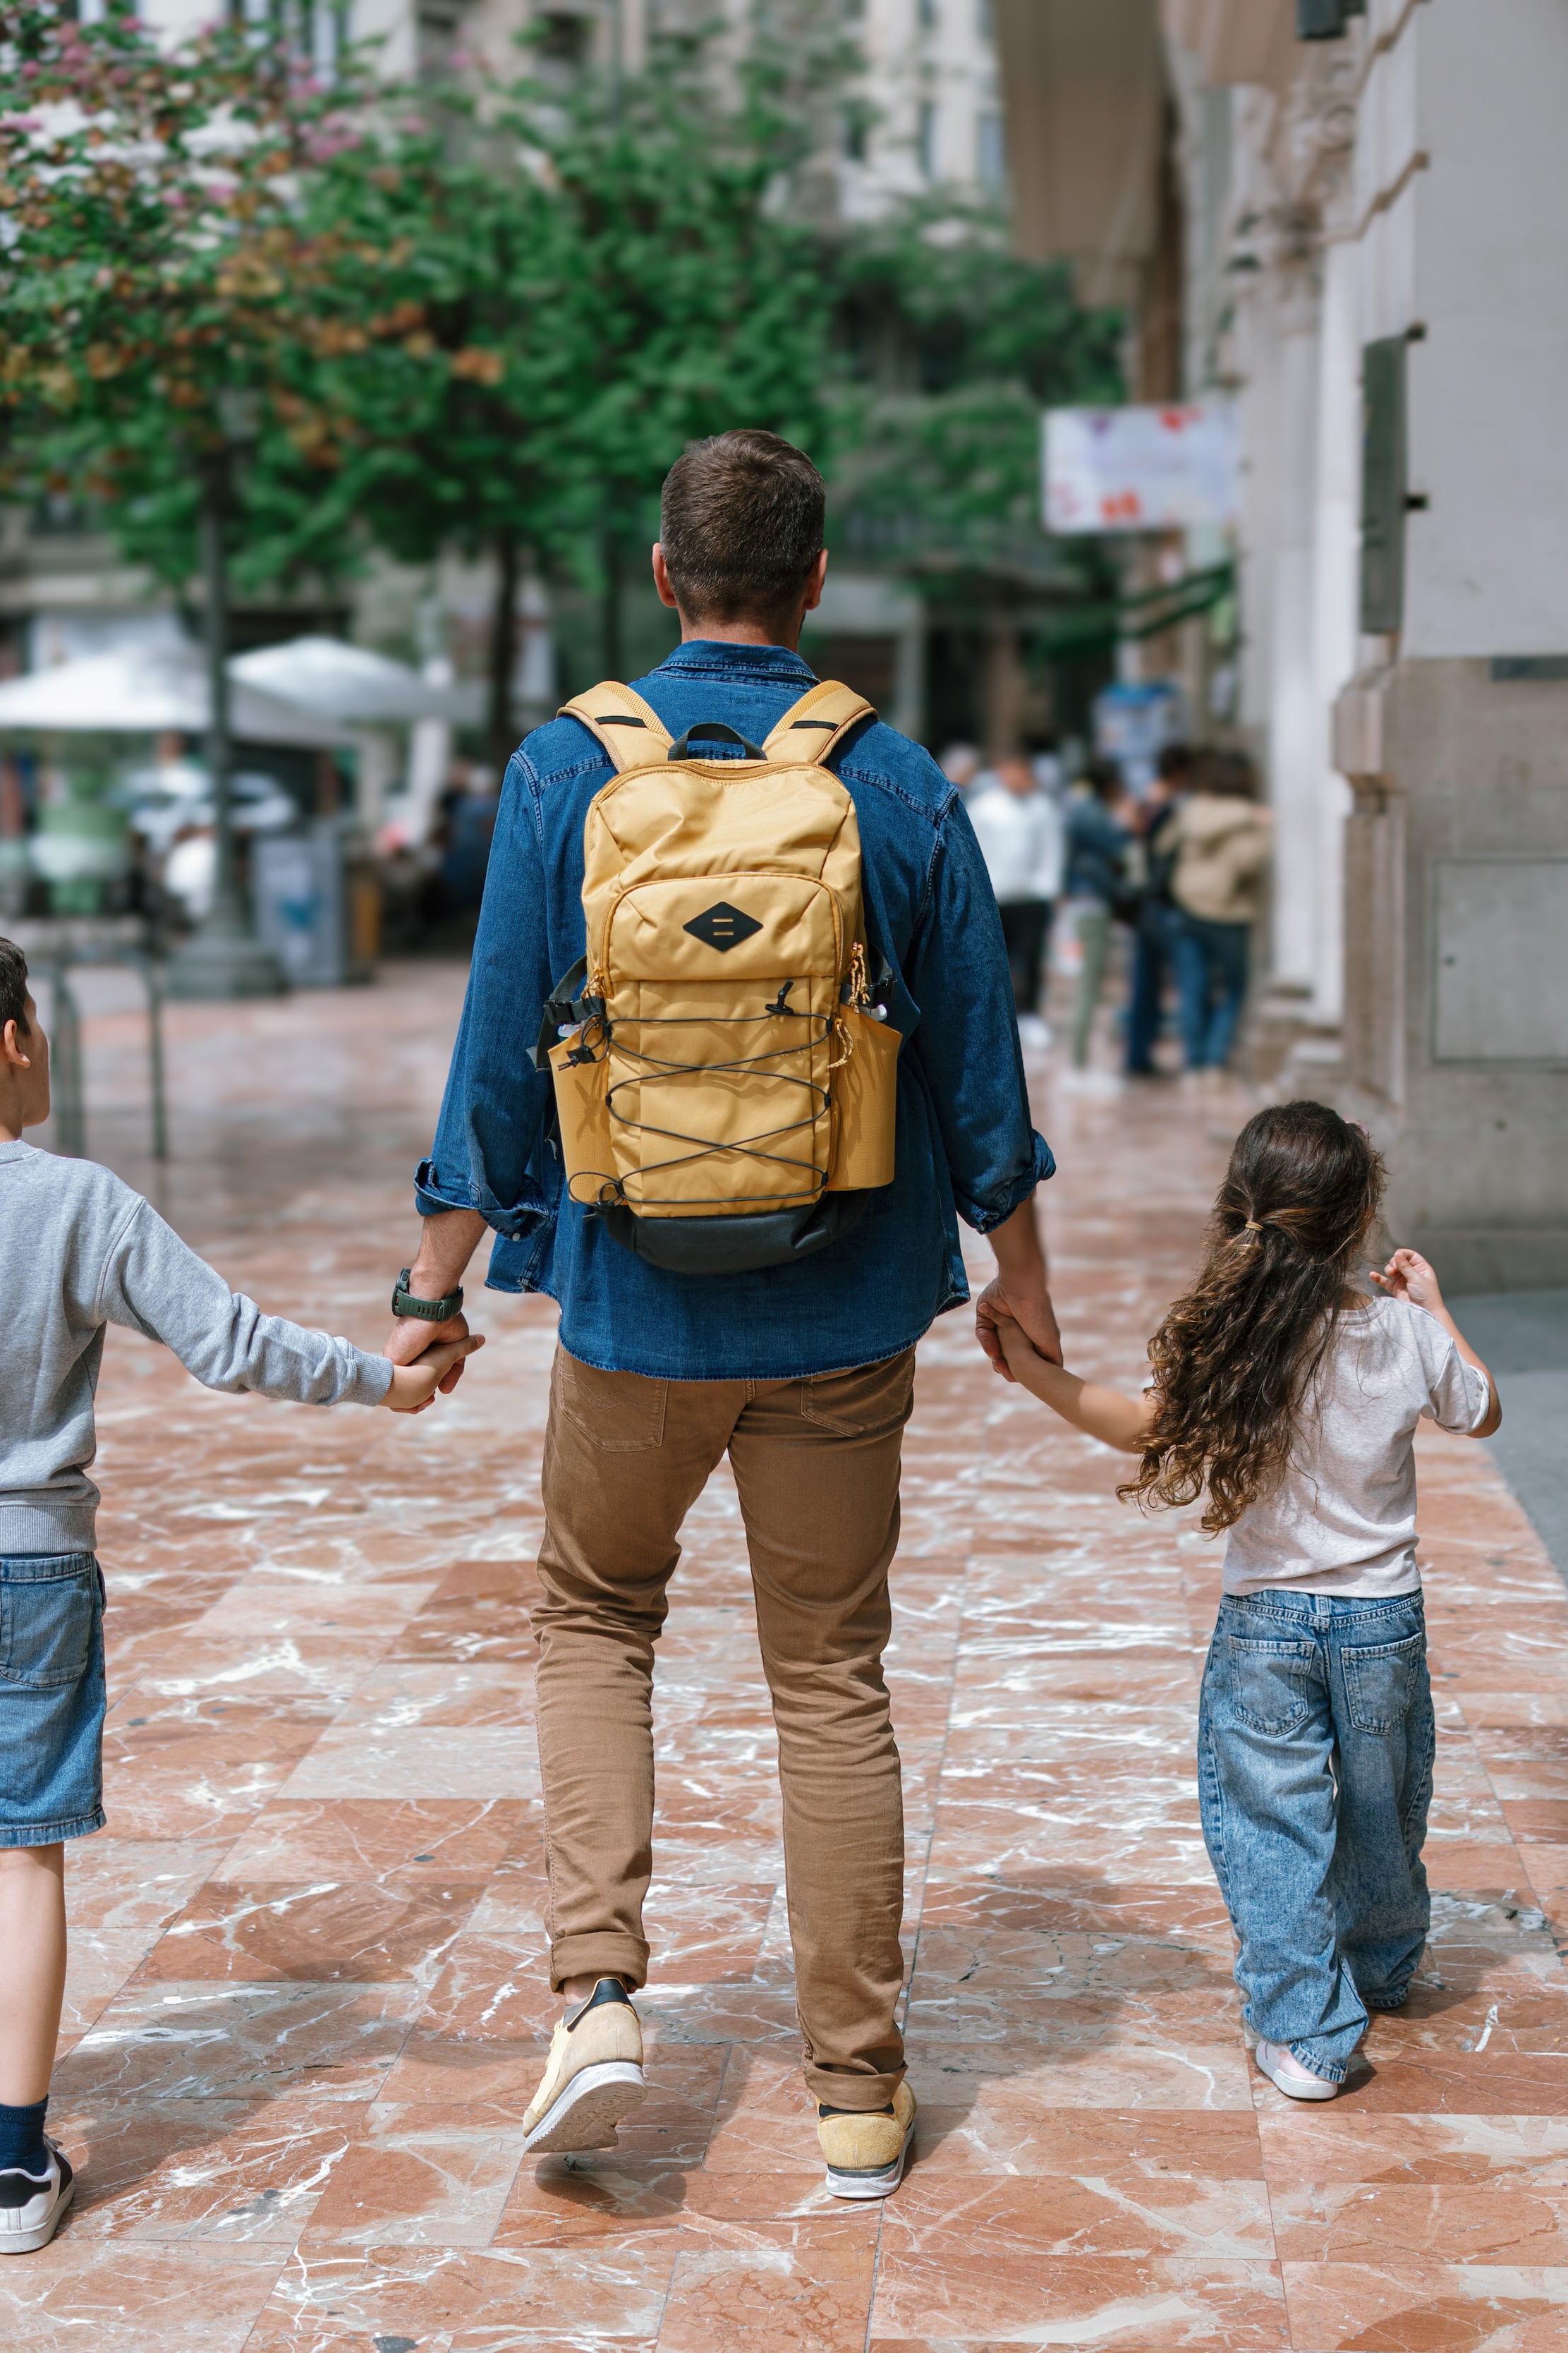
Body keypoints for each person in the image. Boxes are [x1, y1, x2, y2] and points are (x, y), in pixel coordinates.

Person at [397, 428, 1054, 2203]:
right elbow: (982, 1077)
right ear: (818, 582)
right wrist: (1027, 1294)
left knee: (597, 1618)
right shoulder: (894, 779)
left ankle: (597, 1995)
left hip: (628, 1305)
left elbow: (497, 1065)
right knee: (830, 1677)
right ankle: (856, 2089)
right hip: (845, 1308)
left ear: (665, 570)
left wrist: (432, 1288)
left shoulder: (564, 770)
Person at [0, 925, 477, 2254]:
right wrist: (384, 1380)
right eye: (39, 1021)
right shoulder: (77, 1202)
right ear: (13, 1041)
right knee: (25, 1854)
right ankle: (13, 2164)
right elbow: (226, 1341)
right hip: (30, 1573)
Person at [978, 1100, 1499, 2100]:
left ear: (1239, 1213)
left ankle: (1307, 2029)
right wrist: (1434, 1305)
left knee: (1275, 1821)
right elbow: (1482, 1404)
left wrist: (1036, 1370)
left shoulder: (1237, 1336)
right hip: (1382, 1619)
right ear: (1359, 1221)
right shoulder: (1399, 1332)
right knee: (1383, 1805)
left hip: (1266, 1624)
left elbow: (1138, 1426)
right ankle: (1381, 1966)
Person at [1163, 751, 1268, 1077]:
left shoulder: (1192, 810)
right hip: (1230, 913)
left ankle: (1192, 1064)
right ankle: (1214, 1061)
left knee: (1192, 988)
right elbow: (1248, 863)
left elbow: (1162, 848)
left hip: (1186, 907)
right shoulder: (1253, 817)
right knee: (1234, 989)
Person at [967, 749, 1066, 1046]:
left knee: (1031, 957)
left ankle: (1030, 1014)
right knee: (995, 960)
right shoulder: (984, 807)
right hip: (995, 896)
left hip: (1031, 896)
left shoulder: (1041, 807)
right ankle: (995, 1018)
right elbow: (973, 852)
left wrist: (1050, 888)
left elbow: (1053, 849)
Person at [1120, 744, 1191, 1077]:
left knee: (1144, 983)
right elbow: (1162, 859)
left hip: (1143, 903)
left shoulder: (1143, 801)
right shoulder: (1170, 807)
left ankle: (1137, 1055)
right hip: (1160, 904)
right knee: (1182, 981)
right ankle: (1179, 1059)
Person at [1059, 761, 1135, 1070]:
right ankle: (1078, 1061)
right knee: (1088, 985)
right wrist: (1126, 821)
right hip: (1091, 904)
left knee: (1090, 984)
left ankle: (1080, 1058)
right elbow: (1119, 847)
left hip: (1086, 902)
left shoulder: (1086, 809)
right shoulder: (1092, 814)